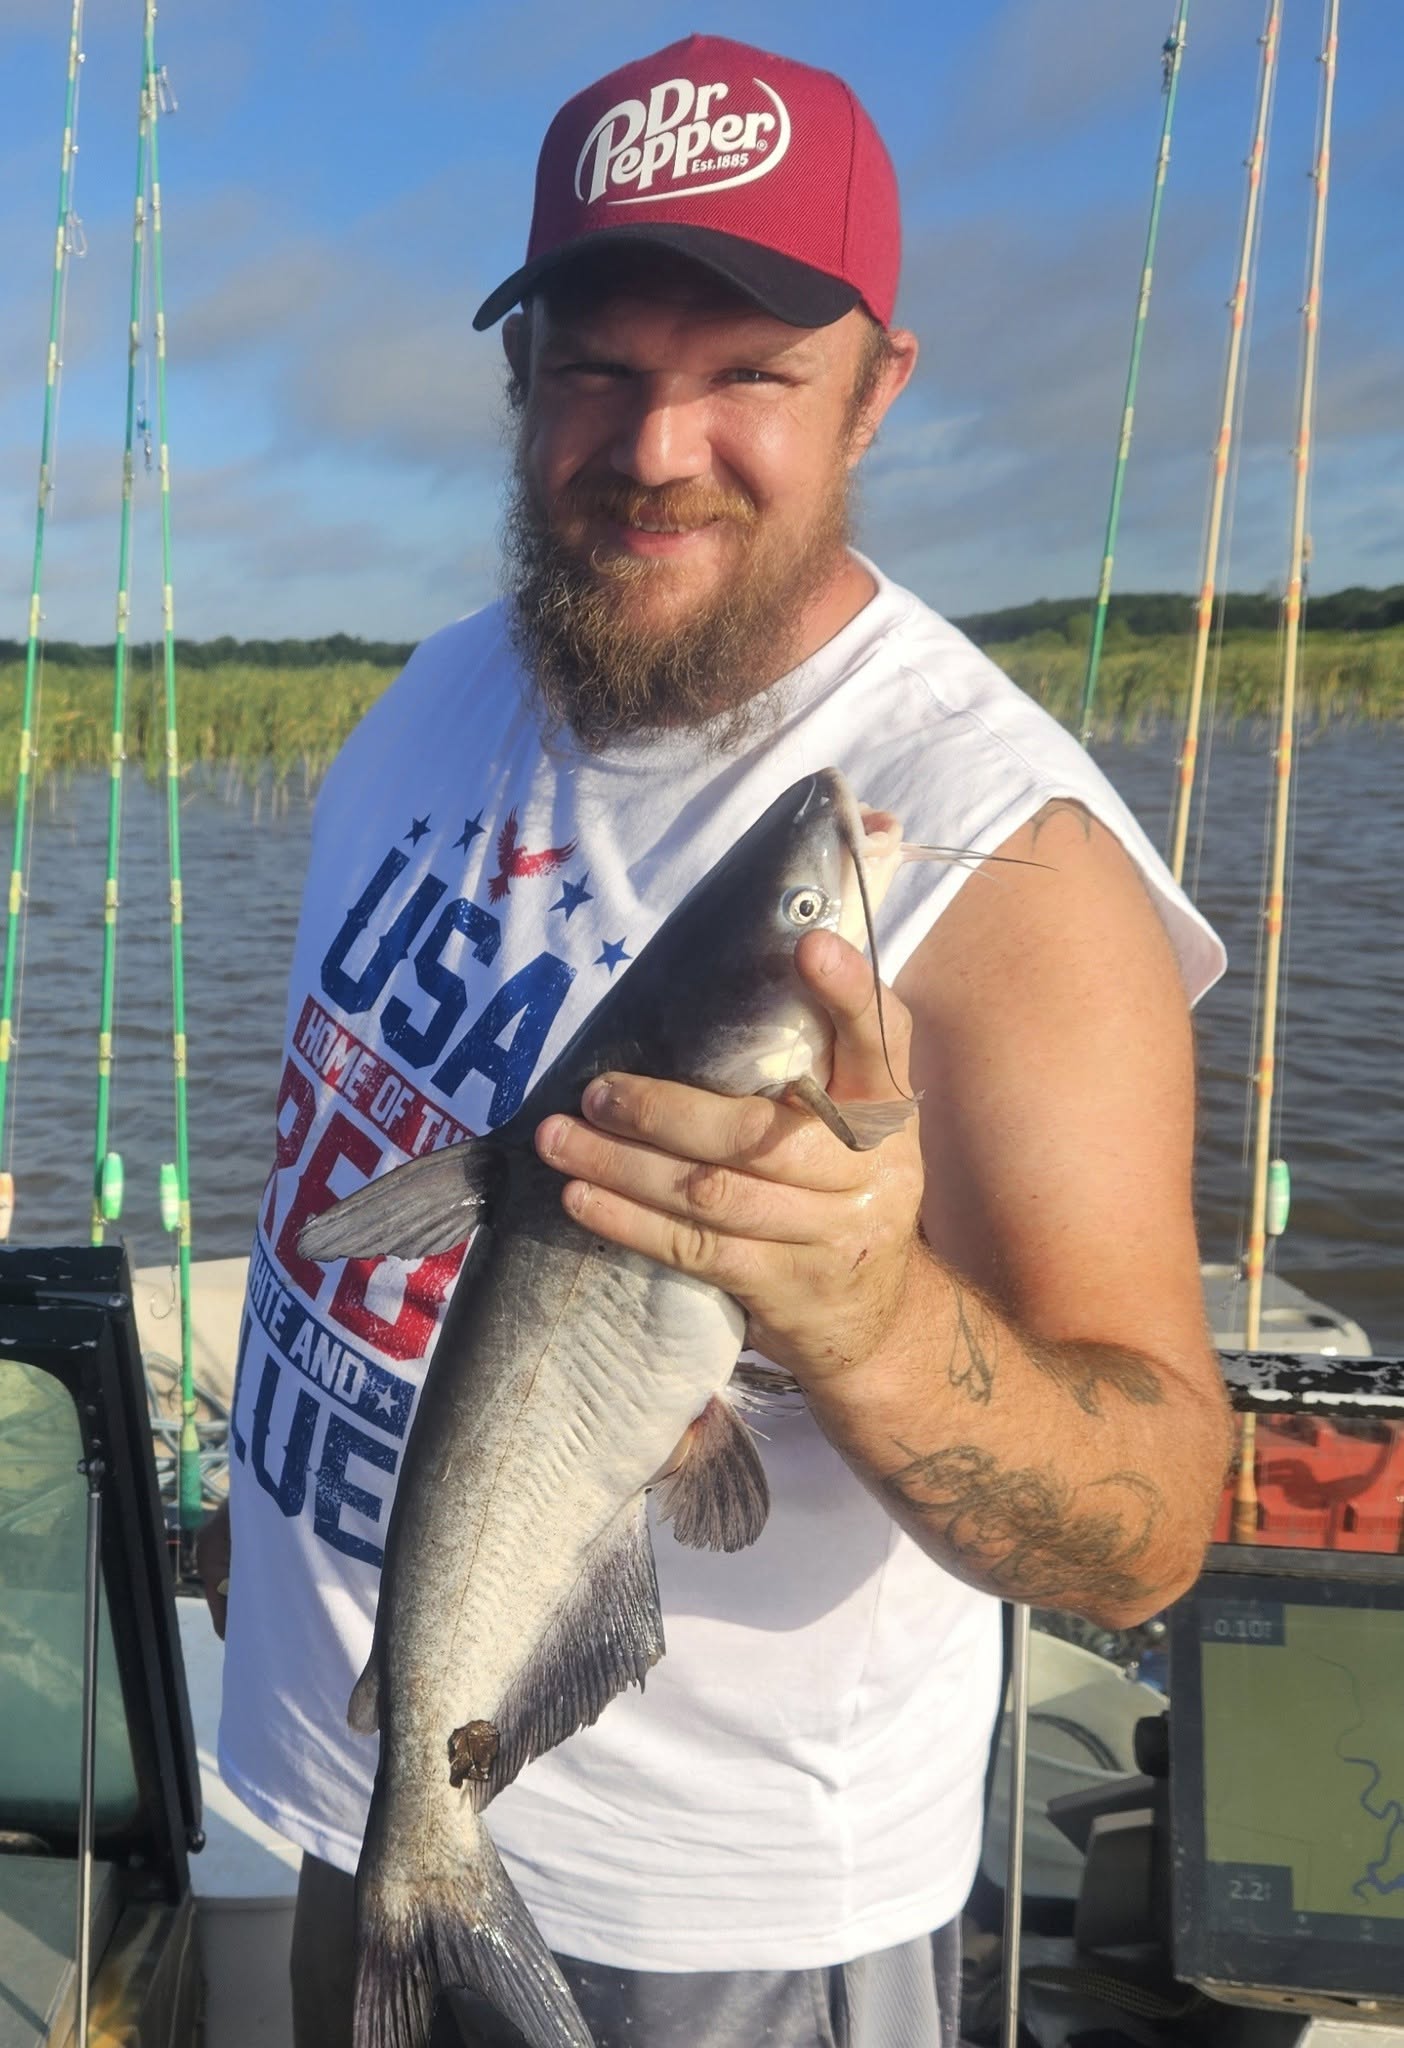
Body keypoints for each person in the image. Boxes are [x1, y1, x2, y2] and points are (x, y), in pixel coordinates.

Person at [198, 33, 1230, 2048]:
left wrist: (859, 1308)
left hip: (707, 1934)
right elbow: (359, 1190)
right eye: (597, 365)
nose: (658, 443)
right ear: (519, 373)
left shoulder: (1012, 865)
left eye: (750, 371)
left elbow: (1150, 1531)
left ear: (878, 389)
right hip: (366, 1781)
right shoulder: (431, 698)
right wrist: (271, 1508)